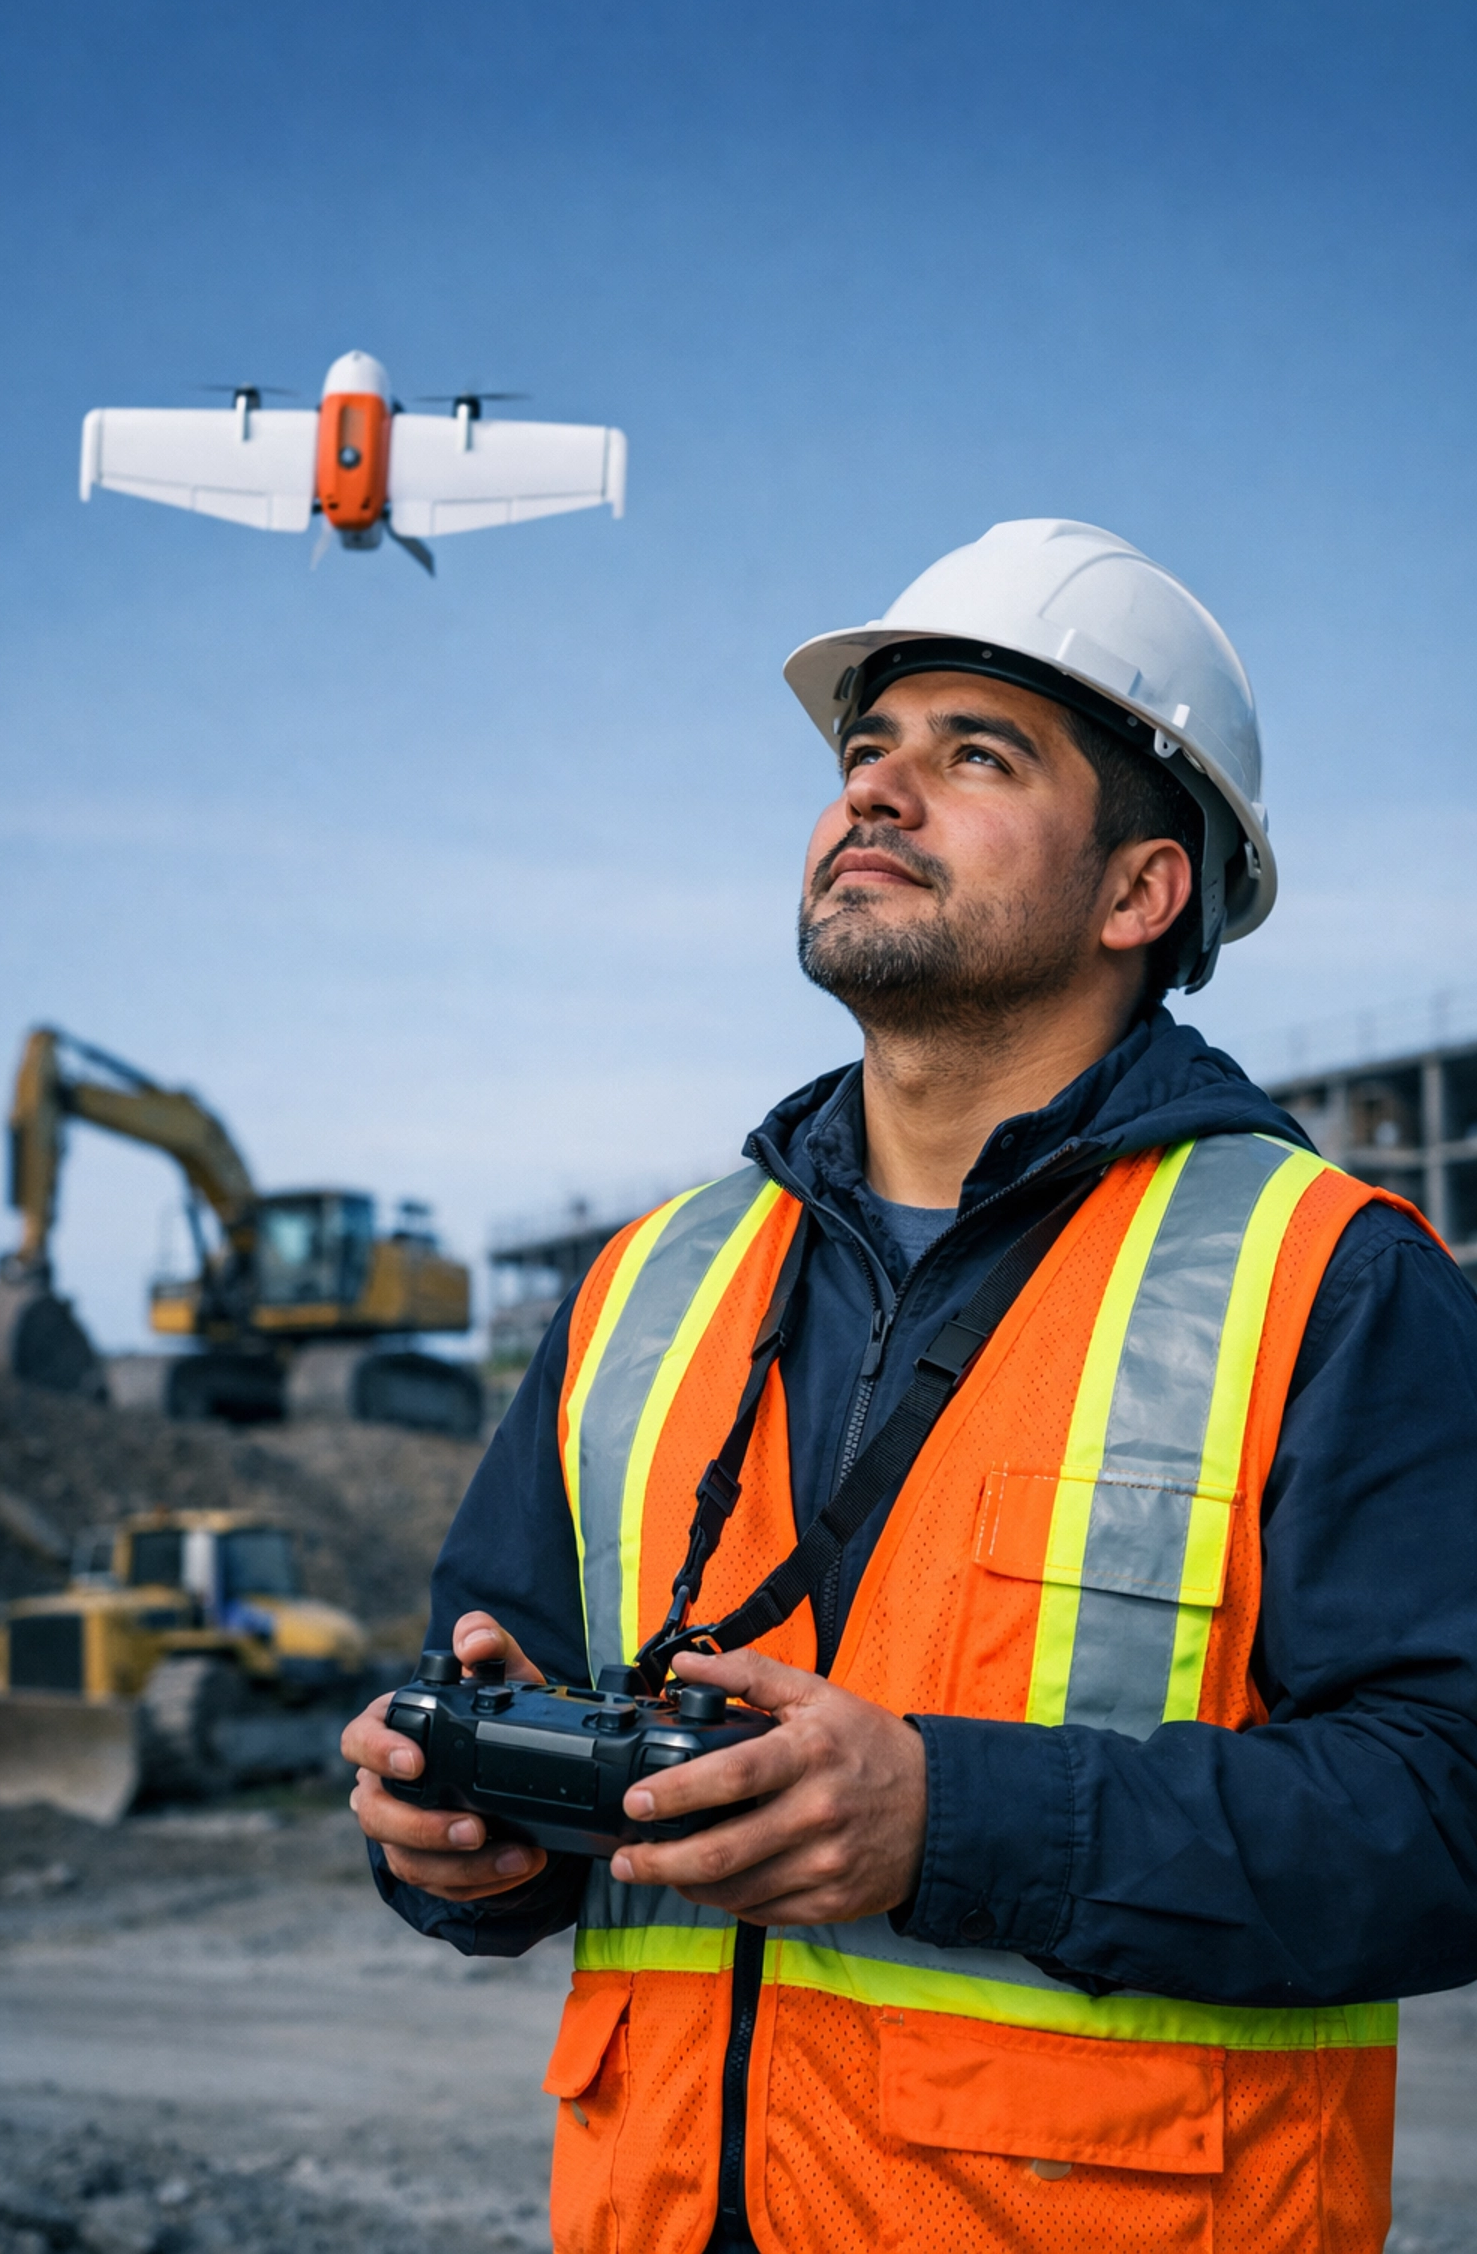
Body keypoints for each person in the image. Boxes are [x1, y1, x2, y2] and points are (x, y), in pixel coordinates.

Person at [342, 519, 1477, 2254]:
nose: (874, 794)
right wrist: (463, 1846)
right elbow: (517, 1720)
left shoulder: (1329, 1276)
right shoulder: (650, 1286)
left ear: (1139, 890)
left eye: (975, 755)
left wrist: (951, 1821)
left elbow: (1447, 1809)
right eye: (866, 754)